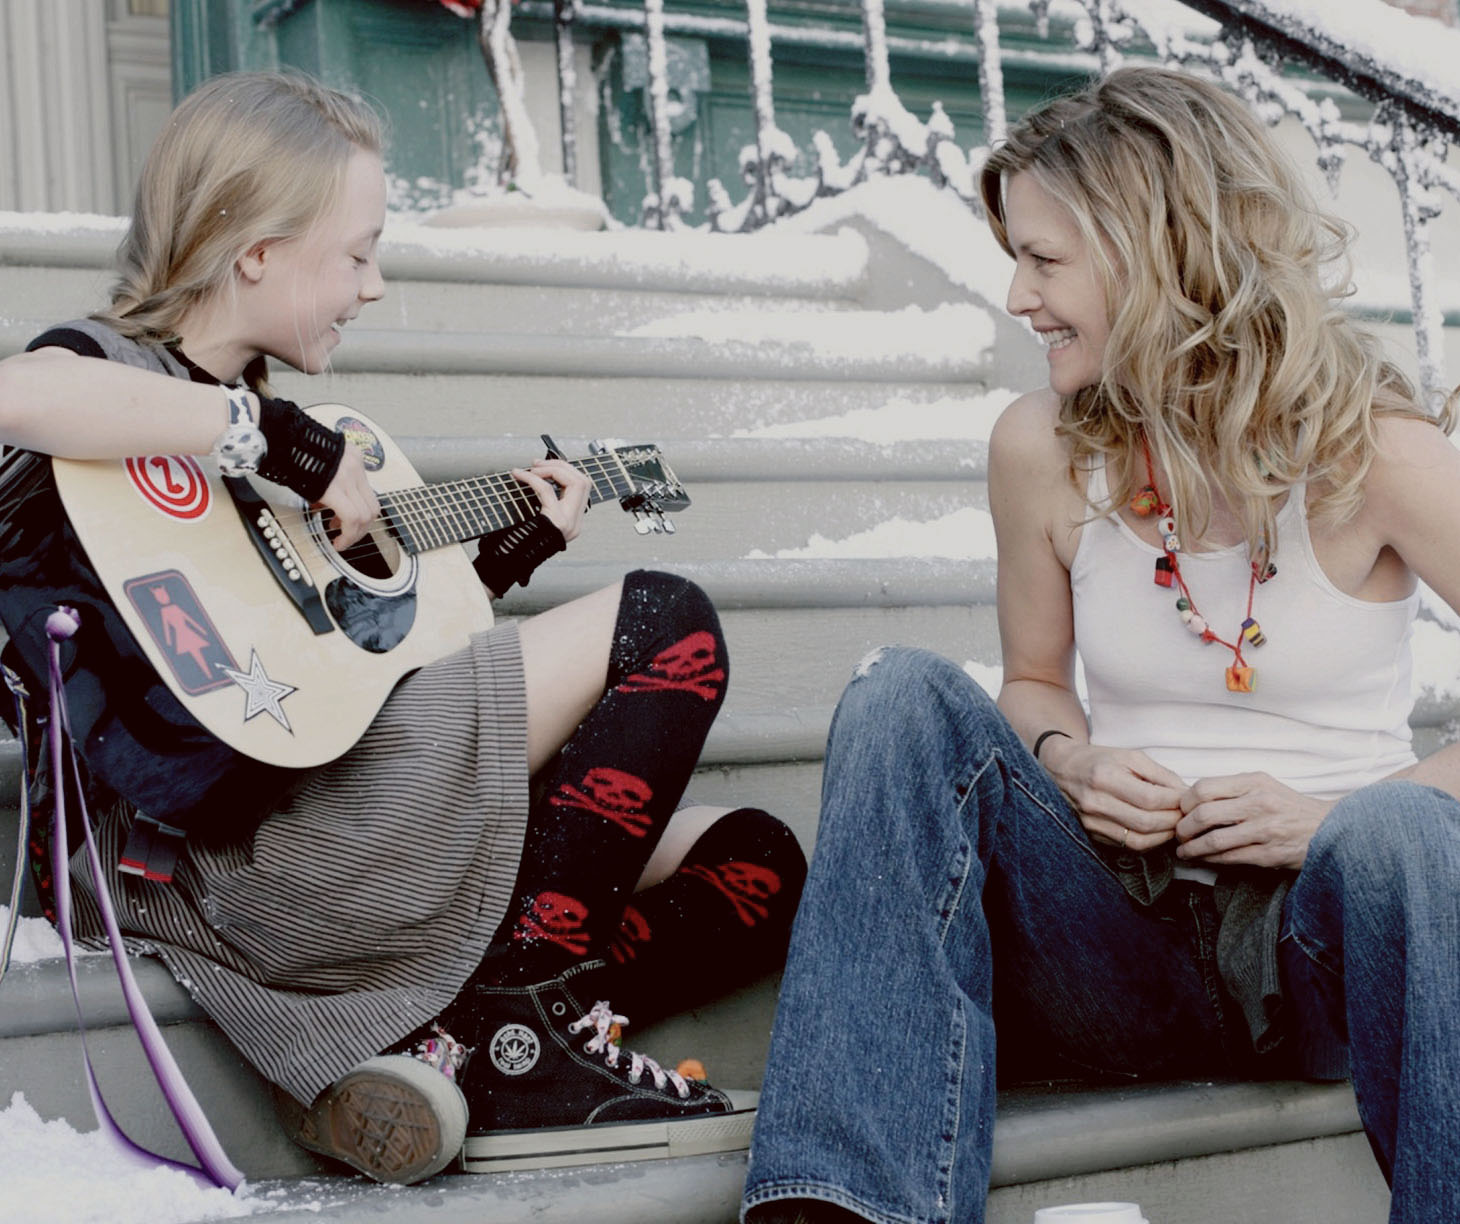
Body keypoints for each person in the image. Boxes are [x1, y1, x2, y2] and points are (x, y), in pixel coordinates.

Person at [0, 71, 806, 1186]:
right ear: (254, 254)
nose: (375, 287)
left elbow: (346, 669)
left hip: (330, 802)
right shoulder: (116, 376)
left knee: (753, 860)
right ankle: (527, 1048)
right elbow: (15, 395)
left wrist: (508, 553)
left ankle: (470, 1043)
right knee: (663, 625)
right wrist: (271, 438)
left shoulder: (298, 450)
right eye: (358, 253)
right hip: (223, 859)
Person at [740, 65, 1460, 1224]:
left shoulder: (1371, 450)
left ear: (1156, 249)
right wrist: (1070, 765)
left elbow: (1386, 839)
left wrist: (1327, 819)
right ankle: (844, 1205)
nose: (1017, 295)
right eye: (1013, 257)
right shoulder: (1039, 446)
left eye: (1043, 259)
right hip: (1109, 931)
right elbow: (1032, 683)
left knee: (1402, 833)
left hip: (1312, 953)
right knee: (902, 696)